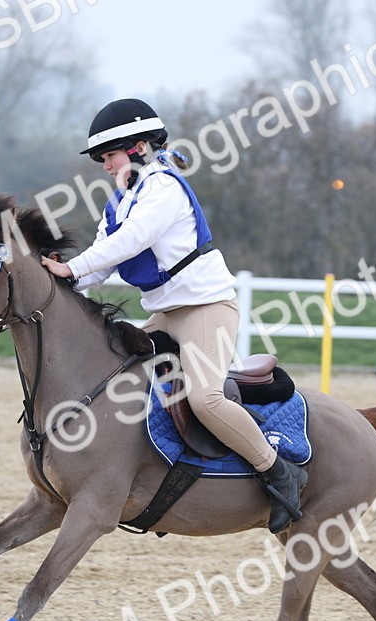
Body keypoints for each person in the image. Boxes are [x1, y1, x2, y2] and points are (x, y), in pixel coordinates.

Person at [40, 98, 307, 533]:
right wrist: (62, 285)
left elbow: (129, 243)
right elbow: (103, 260)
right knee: (116, 380)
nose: (105, 166)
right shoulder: (121, 201)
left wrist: (70, 269)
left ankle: (279, 471)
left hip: (206, 309)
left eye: (109, 156)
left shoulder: (162, 188)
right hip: (165, 315)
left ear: (138, 147)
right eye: (103, 159)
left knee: (206, 399)